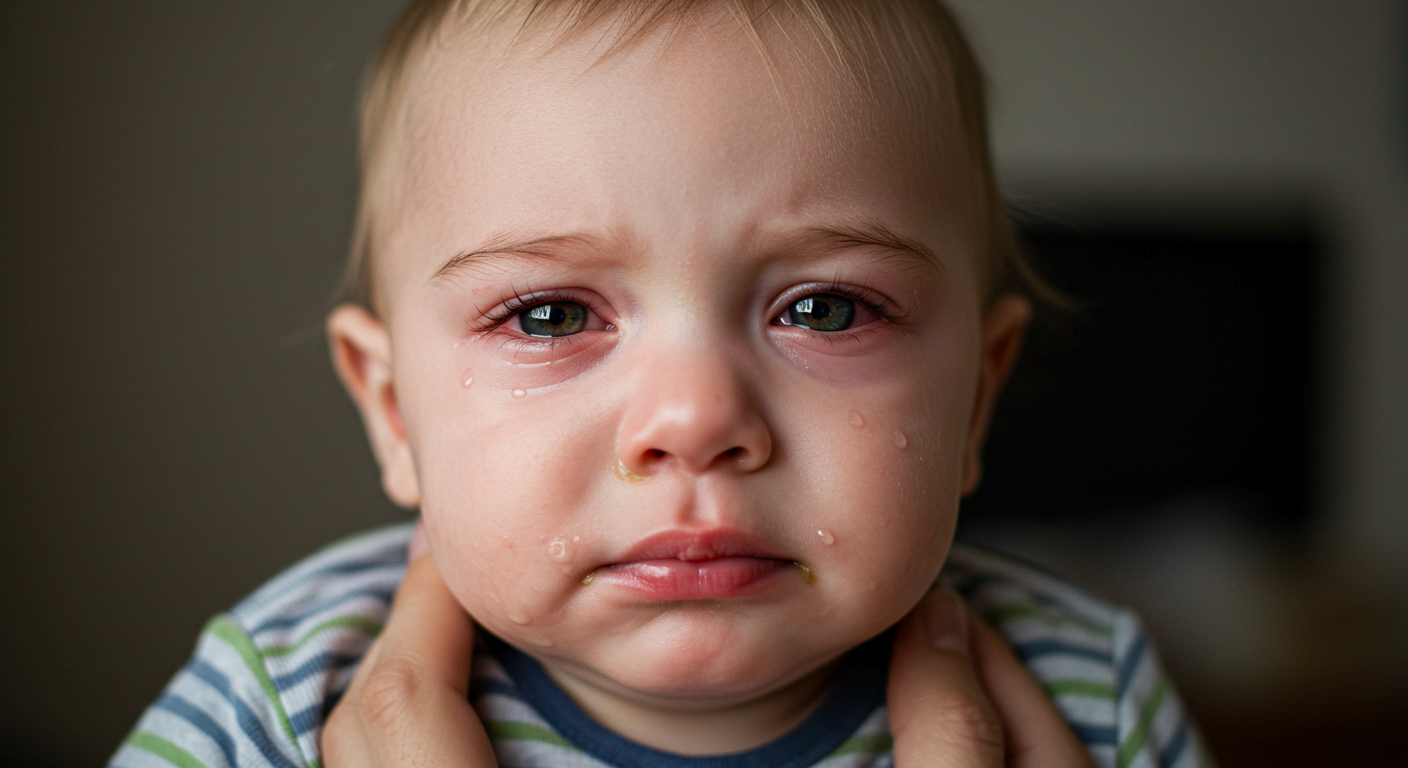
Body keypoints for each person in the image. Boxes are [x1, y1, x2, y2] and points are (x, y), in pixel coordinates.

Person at [110, 1, 1209, 767]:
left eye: (822, 309)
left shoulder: (1082, 693)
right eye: (549, 315)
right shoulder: (289, 691)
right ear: (394, 412)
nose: (694, 421)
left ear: (976, 395)